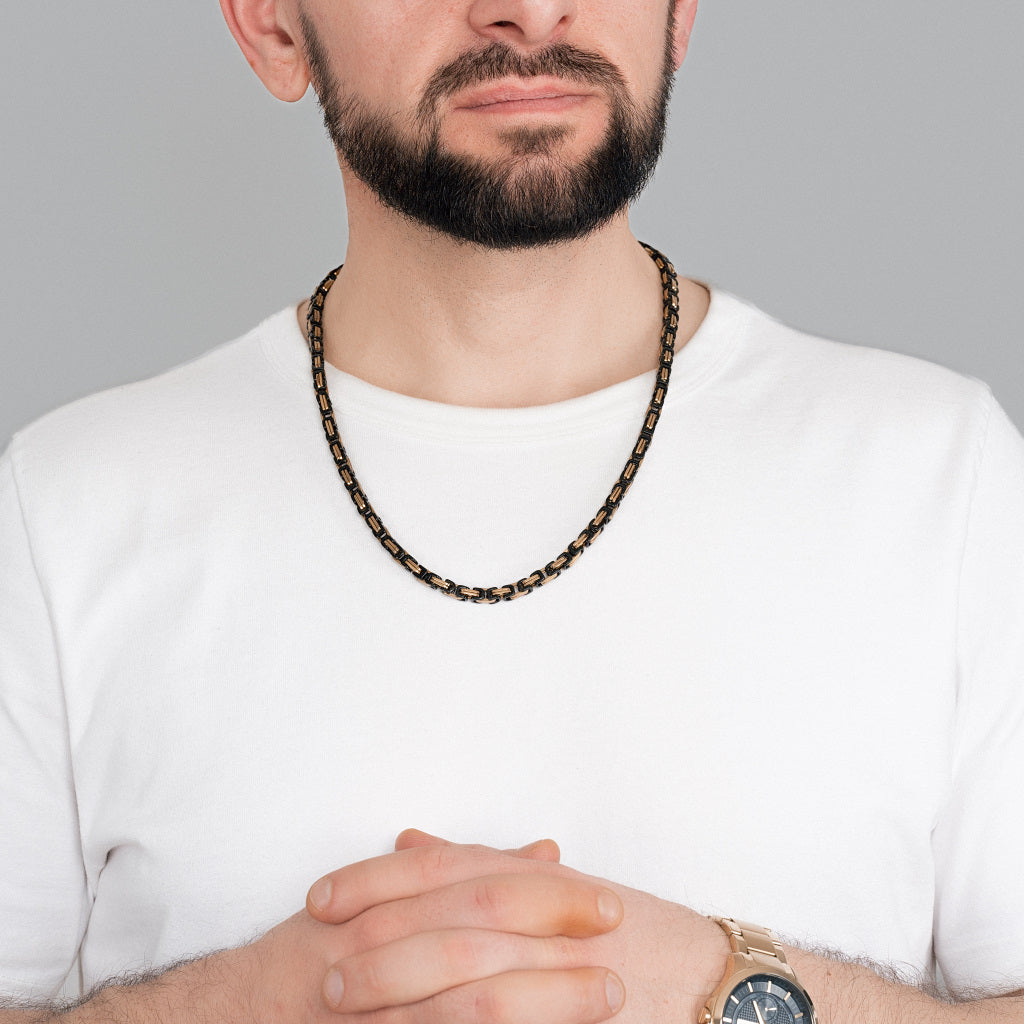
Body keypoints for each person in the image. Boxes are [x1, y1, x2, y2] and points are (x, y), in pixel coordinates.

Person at [2, 1, 1023, 1022]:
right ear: (273, 27)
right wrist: (240, 1005)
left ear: (679, 14)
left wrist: (725, 990)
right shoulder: (61, 514)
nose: (529, 10)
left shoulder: (946, 476)